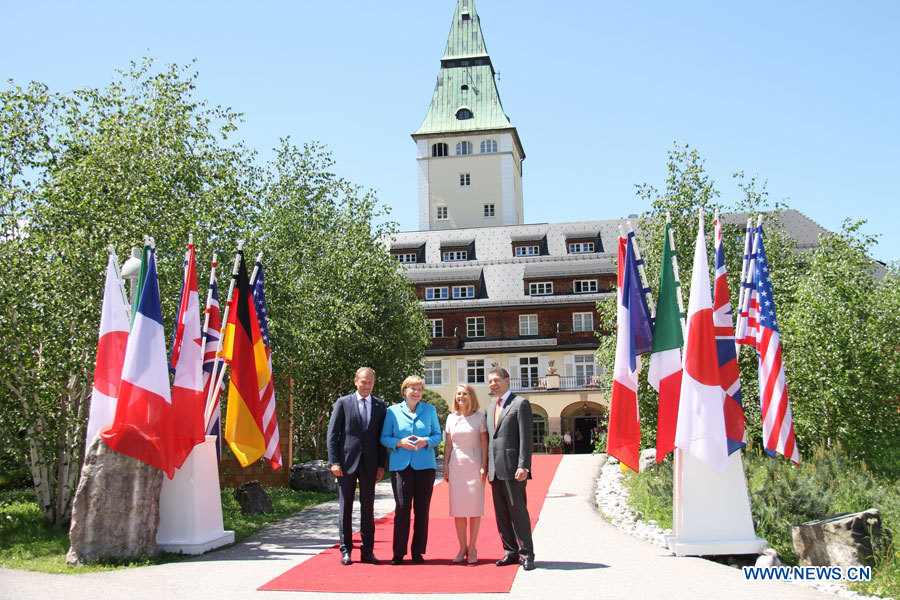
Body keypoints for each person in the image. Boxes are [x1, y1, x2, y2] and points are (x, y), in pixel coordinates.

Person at [327, 367, 387, 566]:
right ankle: (346, 550)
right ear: (355, 382)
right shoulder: (343, 403)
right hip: (345, 464)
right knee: (346, 508)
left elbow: (380, 437)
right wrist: (334, 462)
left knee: (368, 509)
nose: (366, 386)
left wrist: (381, 464)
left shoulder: (380, 405)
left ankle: (367, 551)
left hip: (370, 465)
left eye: (370, 382)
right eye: (363, 382)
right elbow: (332, 435)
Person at [380, 375, 442, 565]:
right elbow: (384, 437)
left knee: (422, 510)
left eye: (419, 389)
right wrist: (398, 442)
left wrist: (426, 441)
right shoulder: (392, 411)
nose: (416, 392)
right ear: (404, 391)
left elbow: (438, 435)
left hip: (425, 466)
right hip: (401, 466)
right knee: (402, 508)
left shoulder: (430, 410)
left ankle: (418, 551)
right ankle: (398, 552)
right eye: (412, 389)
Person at [485, 366, 536, 571]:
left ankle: (527, 553)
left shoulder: (520, 403)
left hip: (514, 467)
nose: (493, 384)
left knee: (518, 511)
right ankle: (510, 551)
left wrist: (524, 465)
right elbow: (490, 439)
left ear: (507, 381)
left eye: (496, 380)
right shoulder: (489, 408)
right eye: (490, 381)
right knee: (501, 513)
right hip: (494, 469)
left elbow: (526, 437)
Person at [443, 383, 489, 564]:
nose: (461, 397)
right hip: (456, 468)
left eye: (465, 394)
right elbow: (448, 445)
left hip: (475, 467)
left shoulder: (479, 418)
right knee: (459, 510)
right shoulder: (450, 418)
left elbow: (484, 443)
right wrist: (446, 466)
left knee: (475, 510)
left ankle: (472, 547)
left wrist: (484, 465)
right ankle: (462, 546)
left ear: (471, 396)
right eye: (458, 394)